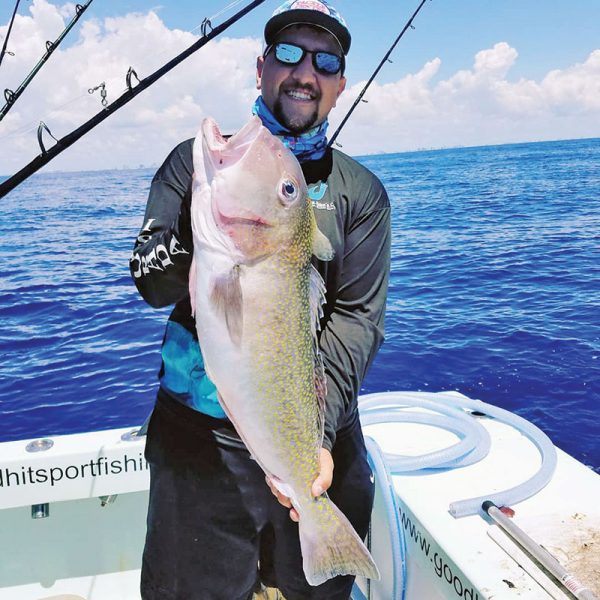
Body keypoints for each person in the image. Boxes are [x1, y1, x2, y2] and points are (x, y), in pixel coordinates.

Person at [130, 1, 391, 599]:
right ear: (262, 66)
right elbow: (149, 282)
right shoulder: (192, 167)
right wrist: (205, 238)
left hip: (315, 446)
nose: (306, 72)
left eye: (325, 61)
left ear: (340, 84)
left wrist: (315, 440)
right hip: (200, 446)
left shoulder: (362, 194)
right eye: (290, 54)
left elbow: (355, 320)